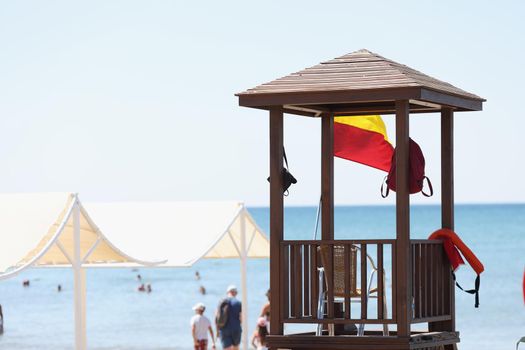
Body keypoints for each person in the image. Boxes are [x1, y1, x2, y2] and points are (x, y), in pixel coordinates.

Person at [216, 285, 242, 350]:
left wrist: (217, 331)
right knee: (236, 348)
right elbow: (241, 318)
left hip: (223, 329)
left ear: (228, 292)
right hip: (236, 328)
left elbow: (216, 317)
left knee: (227, 348)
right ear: (235, 293)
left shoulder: (221, 302)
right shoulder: (238, 303)